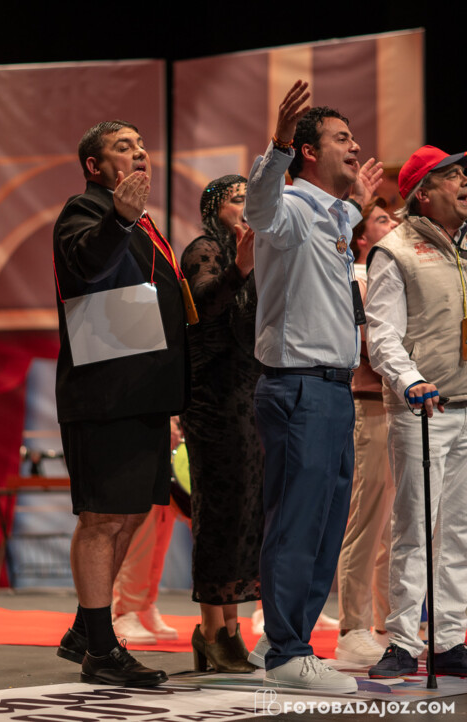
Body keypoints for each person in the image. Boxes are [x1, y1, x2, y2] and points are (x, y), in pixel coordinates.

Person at [244, 80, 383, 692]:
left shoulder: (332, 215)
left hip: (331, 388)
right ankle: (286, 651)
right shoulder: (290, 209)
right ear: (307, 151)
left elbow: (341, 217)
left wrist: (358, 202)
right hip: (298, 386)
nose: (355, 147)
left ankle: (284, 638)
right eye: (342, 138)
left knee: (324, 524)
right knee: (298, 522)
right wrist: (276, 143)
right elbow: (258, 208)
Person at [53, 121, 188, 686]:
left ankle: (85, 628)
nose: (139, 153)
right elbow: (87, 266)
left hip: (145, 389)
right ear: (94, 165)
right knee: (102, 517)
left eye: (141, 145)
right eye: (123, 147)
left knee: (132, 513)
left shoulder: (141, 222)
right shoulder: (84, 211)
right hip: (104, 391)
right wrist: (121, 220)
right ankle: (101, 651)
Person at [366, 145, 467, 678]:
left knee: (458, 531)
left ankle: (449, 641)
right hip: (422, 409)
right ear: (422, 193)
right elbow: (382, 335)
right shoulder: (395, 249)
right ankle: (403, 642)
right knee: (414, 527)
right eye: (451, 176)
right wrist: (411, 383)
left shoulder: (466, 246)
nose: (464, 182)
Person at [180, 174, 263, 674]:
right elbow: (204, 306)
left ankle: (231, 629)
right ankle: (211, 629)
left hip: (249, 393)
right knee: (218, 512)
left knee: (245, 514)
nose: (246, 206)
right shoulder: (204, 249)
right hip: (212, 398)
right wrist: (241, 268)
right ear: (214, 210)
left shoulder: (253, 252)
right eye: (236, 199)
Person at [335, 198, 398, 666]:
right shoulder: (356, 275)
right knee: (367, 519)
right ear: (361, 236)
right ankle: (352, 625)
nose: (392, 223)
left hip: (401, 406)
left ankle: (388, 621)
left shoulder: (390, 273)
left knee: (396, 524)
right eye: (381, 219)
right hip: (370, 403)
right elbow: (365, 341)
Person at [112, 418, 182, 644]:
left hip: (167, 437)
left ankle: (144, 604)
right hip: (139, 430)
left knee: (161, 526)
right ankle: (124, 610)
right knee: (139, 529)